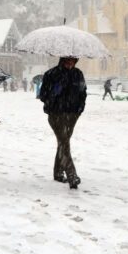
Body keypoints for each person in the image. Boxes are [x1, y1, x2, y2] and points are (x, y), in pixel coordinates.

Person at [39, 57, 87, 189]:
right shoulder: (51, 74)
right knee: (64, 142)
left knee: (63, 143)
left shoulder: (78, 74)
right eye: (68, 60)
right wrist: (55, 91)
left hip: (73, 114)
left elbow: (83, 92)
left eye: (73, 61)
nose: (70, 63)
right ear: (62, 60)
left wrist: (80, 107)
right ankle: (72, 175)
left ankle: (58, 173)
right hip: (56, 114)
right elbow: (43, 95)